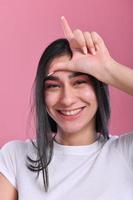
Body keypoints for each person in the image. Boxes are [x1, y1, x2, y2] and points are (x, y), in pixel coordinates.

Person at [0, 16, 133, 200]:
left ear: (98, 88)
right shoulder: (15, 157)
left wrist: (107, 69)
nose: (67, 99)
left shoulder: (127, 153)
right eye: (53, 86)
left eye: (79, 82)